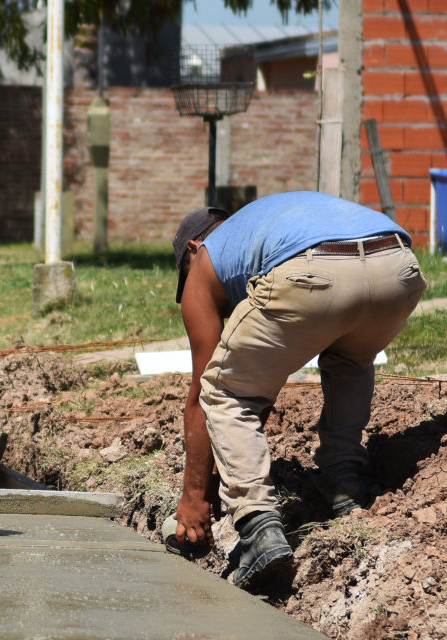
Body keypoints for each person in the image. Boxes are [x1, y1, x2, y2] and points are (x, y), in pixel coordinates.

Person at [170, 191, 425, 591]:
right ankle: (343, 479)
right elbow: (259, 382)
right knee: (350, 361)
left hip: (314, 268)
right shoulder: (263, 226)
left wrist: (195, 498)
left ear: (193, 248)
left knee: (220, 389)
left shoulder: (205, 261)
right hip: (397, 264)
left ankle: (258, 528)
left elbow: (204, 398)